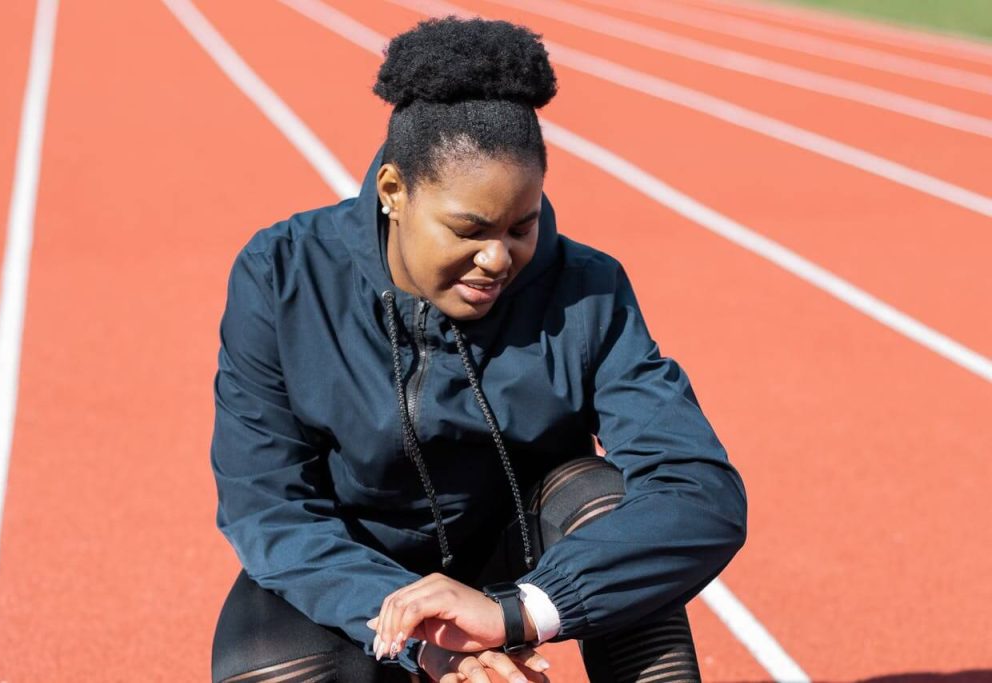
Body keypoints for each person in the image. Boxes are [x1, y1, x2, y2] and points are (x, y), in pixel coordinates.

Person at [209, 16, 747, 683]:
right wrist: (428, 635)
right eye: (470, 229)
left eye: (522, 226)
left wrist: (518, 610)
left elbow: (700, 490)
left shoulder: (585, 289)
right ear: (394, 193)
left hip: (523, 564)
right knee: (265, 664)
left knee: (602, 499)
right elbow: (268, 506)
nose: (498, 258)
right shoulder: (283, 276)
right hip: (361, 568)